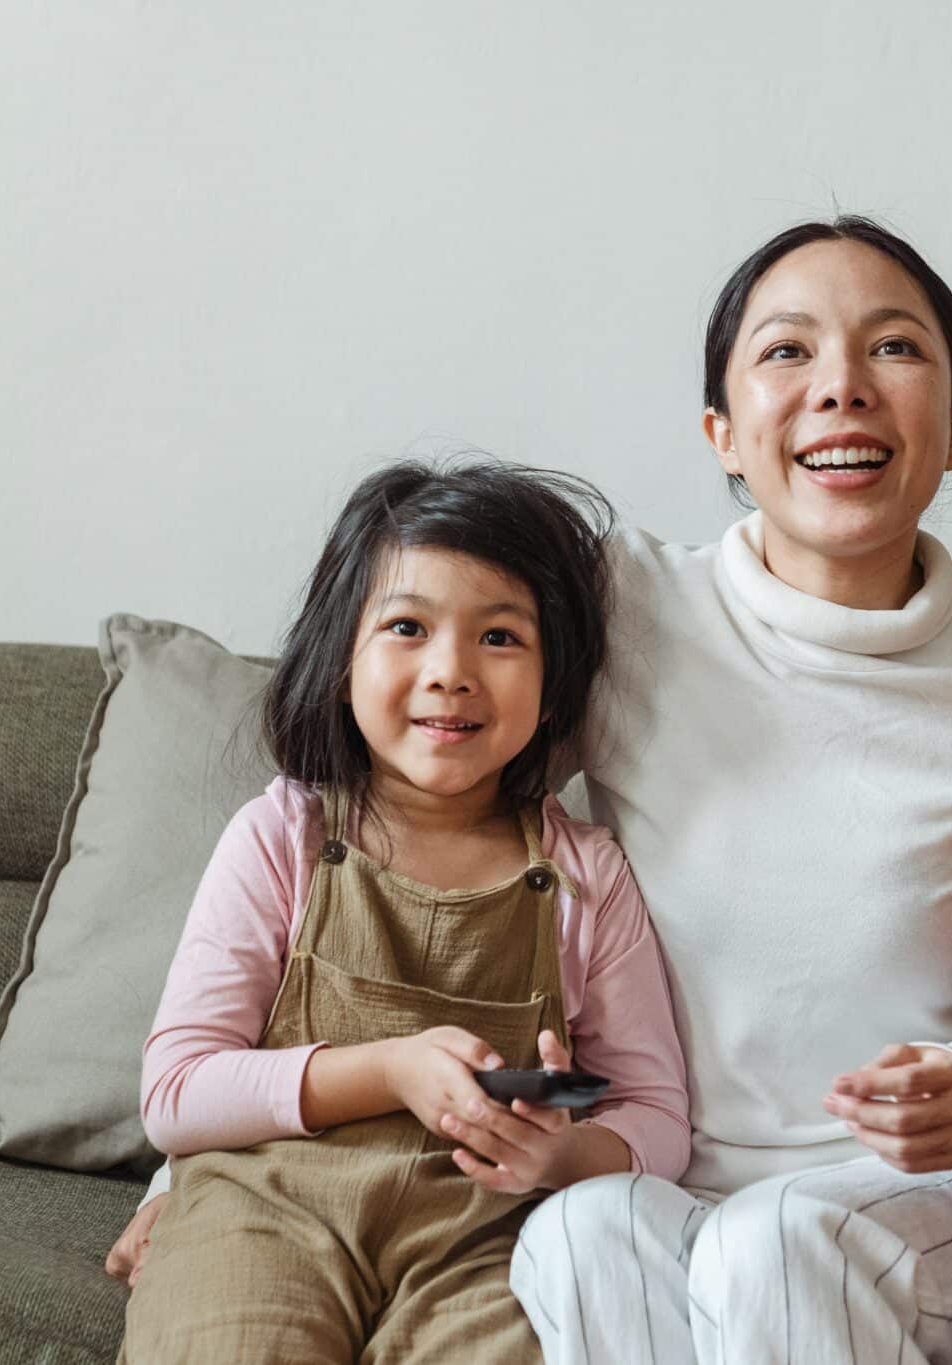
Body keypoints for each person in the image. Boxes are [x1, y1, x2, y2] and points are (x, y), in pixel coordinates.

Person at [114, 216, 952, 1363]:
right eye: (786, 352)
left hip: (937, 1192)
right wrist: (200, 1173)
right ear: (721, 434)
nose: (839, 388)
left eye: (892, 349)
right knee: (572, 1238)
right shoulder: (624, 611)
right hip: (664, 1184)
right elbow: (415, 811)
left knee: (778, 1244)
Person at [116, 460, 689, 1363]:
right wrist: (390, 1070)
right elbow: (178, 1092)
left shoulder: (589, 877)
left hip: (489, 1239)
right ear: (342, 660)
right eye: (408, 627)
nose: (451, 672)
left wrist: (564, 1150)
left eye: (500, 636)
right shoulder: (282, 837)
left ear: (555, 683)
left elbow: (656, 1115)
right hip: (263, 1211)